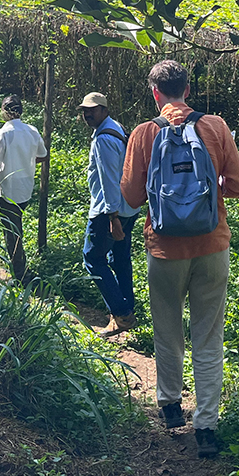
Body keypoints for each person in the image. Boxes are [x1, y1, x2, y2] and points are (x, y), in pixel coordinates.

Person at [119, 59, 239, 458]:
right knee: (208, 336)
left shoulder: (144, 133)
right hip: (212, 246)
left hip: (163, 249)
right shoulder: (215, 127)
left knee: (167, 328)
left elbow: (131, 196)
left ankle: (171, 406)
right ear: (188, 91)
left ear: (155, 93)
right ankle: (207, 426)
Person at [77, 91, 140, 336]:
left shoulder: (104, 138)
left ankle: (122, 314)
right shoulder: (117, 128)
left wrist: (112, 217)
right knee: (119, 258)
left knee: (93, 259)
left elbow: (109, 180)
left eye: (92, 109)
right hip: (128, 207)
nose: (88, 114)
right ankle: (126, 311)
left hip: (109, 210)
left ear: (104, 110)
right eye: (85, 110)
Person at [0, 94, 47, 282]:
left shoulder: (3, 133)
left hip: (8, 188)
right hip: (26, 187)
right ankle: (19, 266)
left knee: (13, 231)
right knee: (16, 226)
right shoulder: (32, 130)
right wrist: (29, 162)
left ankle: (20, 274)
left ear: (4, 111)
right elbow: (43, 155)